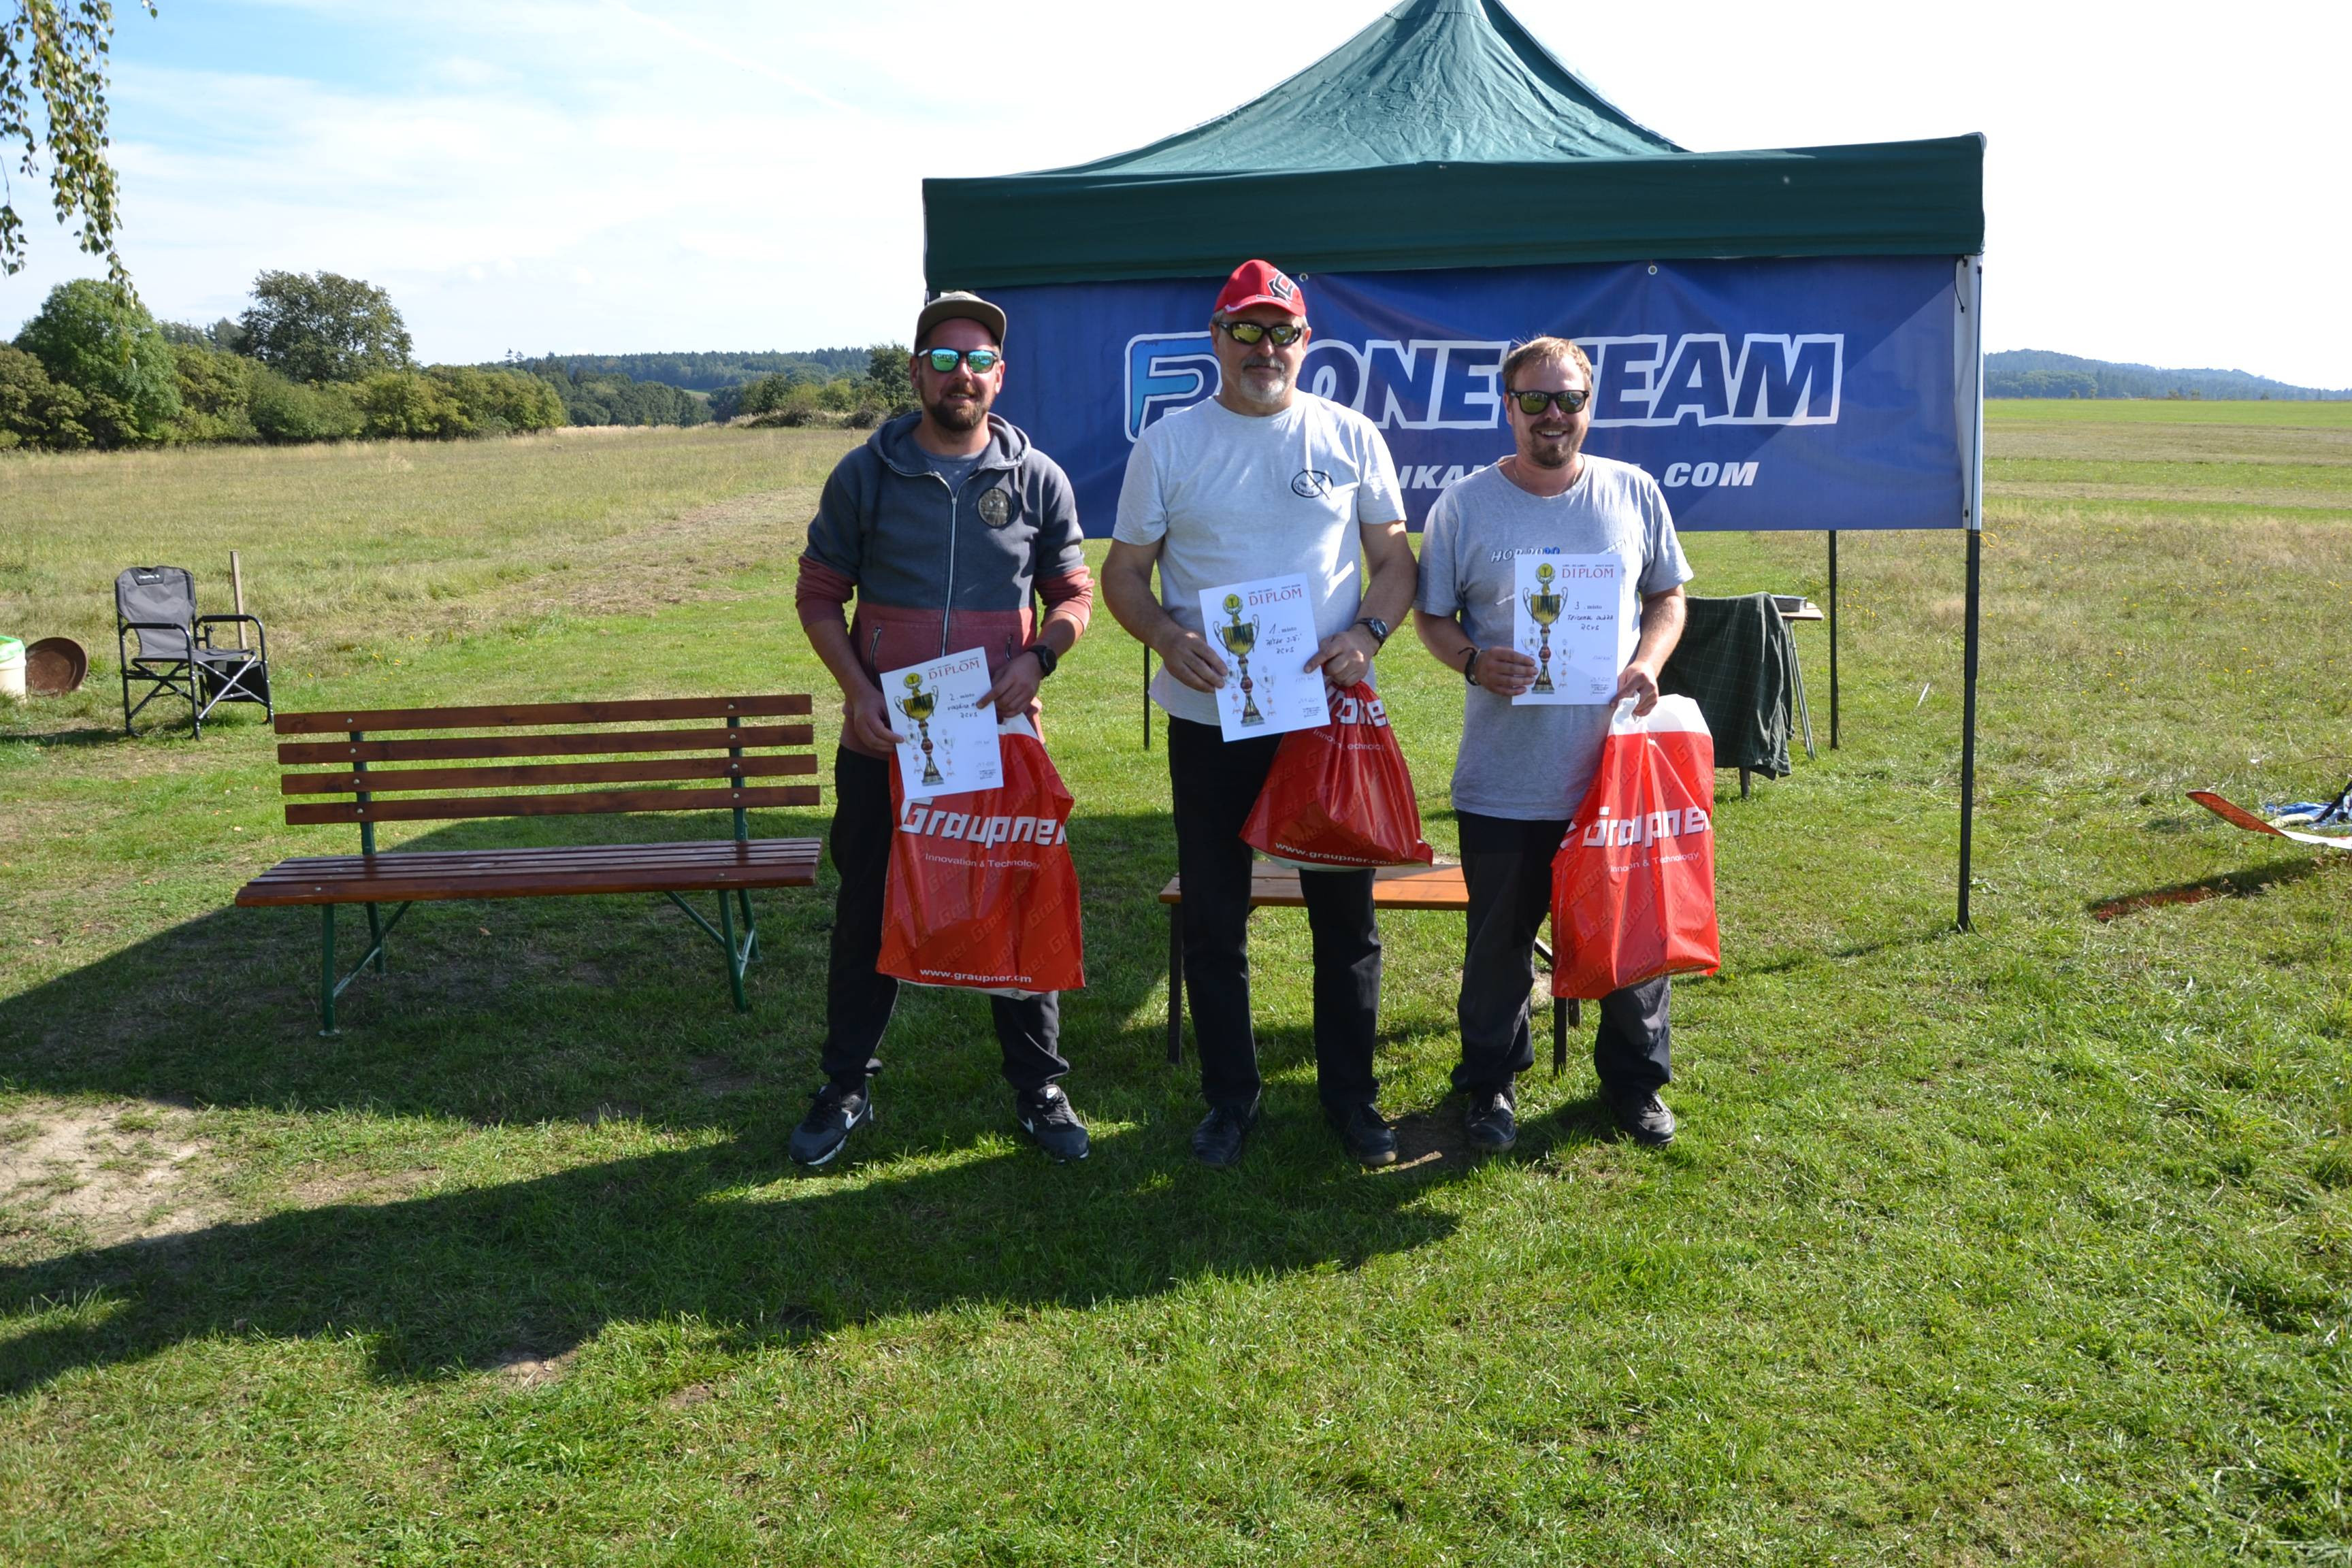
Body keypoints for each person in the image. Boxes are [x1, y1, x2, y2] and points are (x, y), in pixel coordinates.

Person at [1101, 259, 1418, 1169]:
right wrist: (1166, 637)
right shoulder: (1169, 444)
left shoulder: (1350, 434)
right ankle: (1230, 1100)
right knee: (1214, 918)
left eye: (1281, 333)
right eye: (1246, 331)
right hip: (1210, 717)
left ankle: (1351, 1100)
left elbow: (1395, 563)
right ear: (1217, 339)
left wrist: (1367, 633)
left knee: (1344, 920)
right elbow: (1124, 573)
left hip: (1323, 719)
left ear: (1305, 342)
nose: (1264, 349)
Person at [790, 291, 1094, 1166]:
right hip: (886, 737)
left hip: (995, 735)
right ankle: (846, 1085)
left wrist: (1038, 661)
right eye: (947, 358)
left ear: (1001, 376)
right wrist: (857, 692)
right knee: (868, 907)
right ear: (918, 372)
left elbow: (1072, 594)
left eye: (980, 360)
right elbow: (819, 595)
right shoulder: (864, 474)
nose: (965, 374)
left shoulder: (1038, 479)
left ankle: (1039, 1088)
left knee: (1014, 894)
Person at [1411, 336, 1691, 1151]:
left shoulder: (1633, 492)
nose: (1553, 415)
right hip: (1505, 775)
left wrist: (1647, 662)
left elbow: (1668, 598)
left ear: (1589, 406)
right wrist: (1471, 660)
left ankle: (1635, 1085)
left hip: (1612, 772)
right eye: (1535, 400)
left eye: (1569, 399)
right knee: (1499, 949)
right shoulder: (1464, 505)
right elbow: (1431, 614)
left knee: (1630, 936)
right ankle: (1490, 1085)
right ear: (1508, 407)